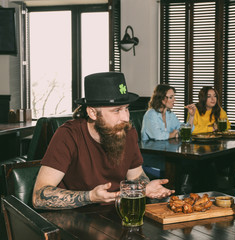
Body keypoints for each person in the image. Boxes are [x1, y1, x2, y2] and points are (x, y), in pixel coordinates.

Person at [32, 72, 174, 210]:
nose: (125, 117)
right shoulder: (68, 135)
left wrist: (144, 187)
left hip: (117, 213)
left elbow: (136, 175)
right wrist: (90, 197)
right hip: (74, 218)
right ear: (92, 113)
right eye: (117, 110)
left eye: (126, 109)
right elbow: (38, 197)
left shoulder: (127, 132)